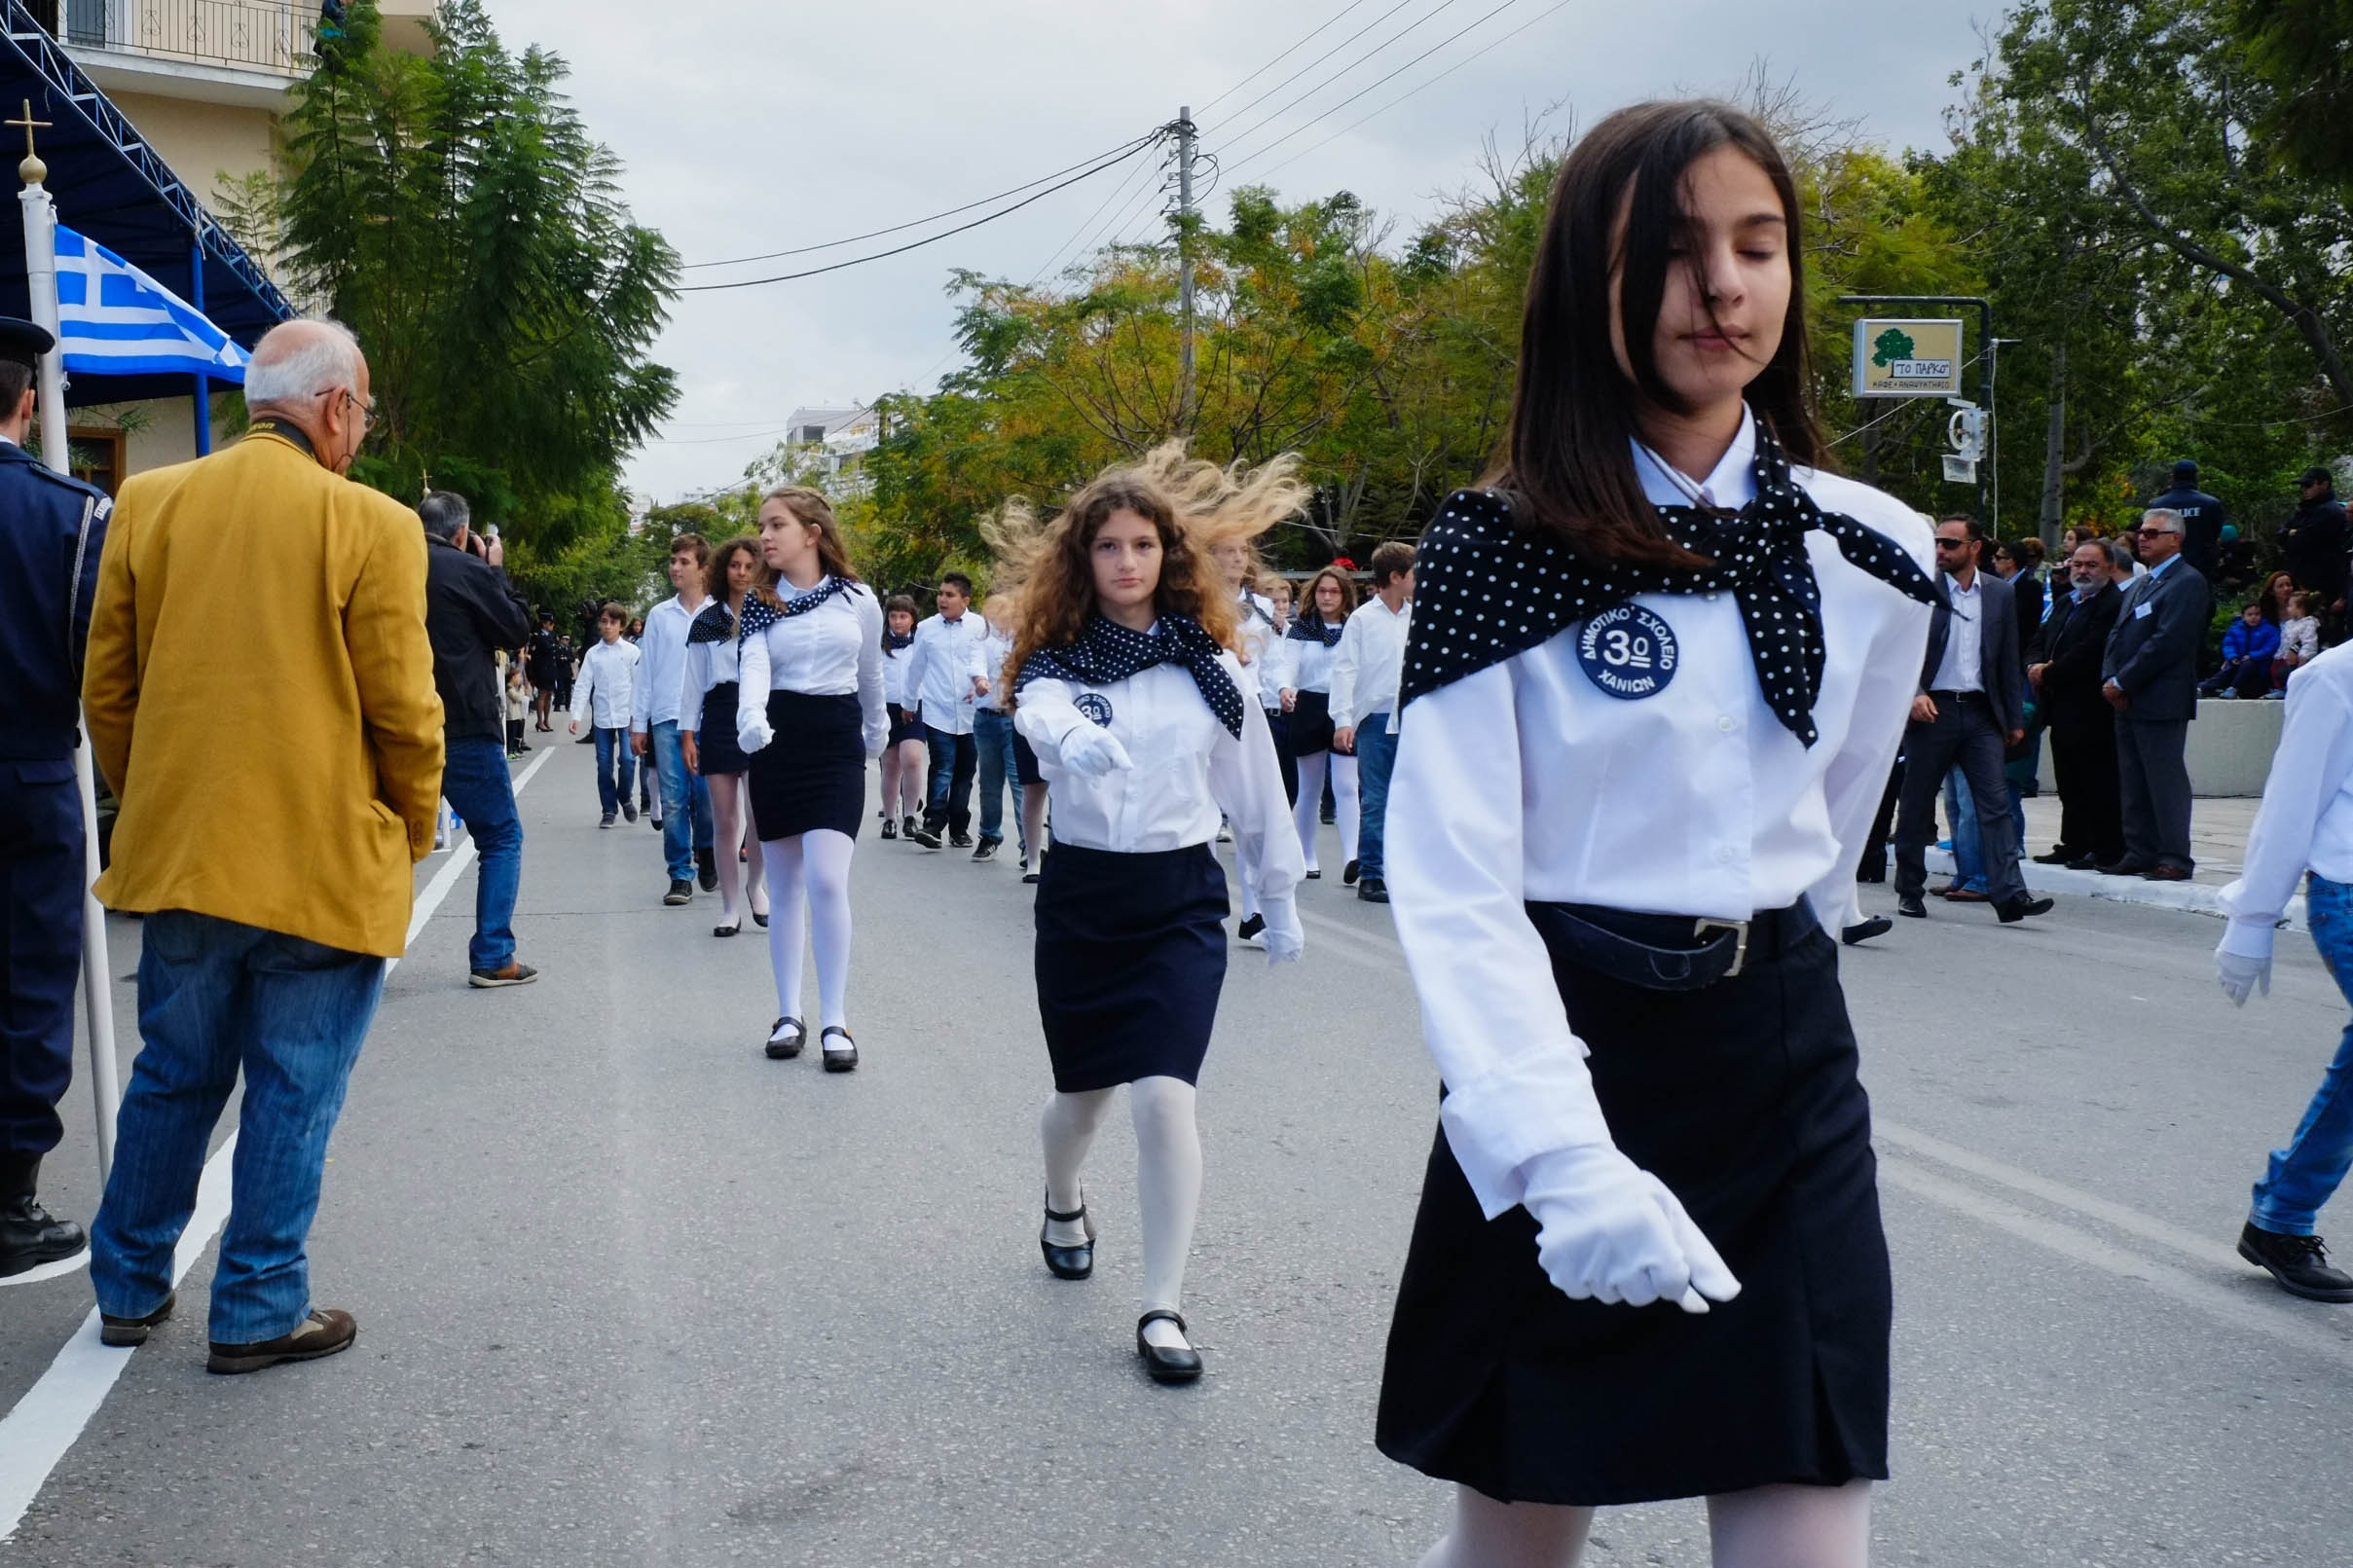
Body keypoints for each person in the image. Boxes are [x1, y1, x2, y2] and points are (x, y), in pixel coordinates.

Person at [1375, 101, 1947, 1568]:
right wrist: (1560, 1159)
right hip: (1563, 1045)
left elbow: (1834, 810)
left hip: (1779, 1059)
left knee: (1809, 1523)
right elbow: (1453, 882)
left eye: (1758, 245)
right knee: (1515, 1541)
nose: (1724, 287)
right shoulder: (1497, 546)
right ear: (1592, 278)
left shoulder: (1872, 547)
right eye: (1677, 250)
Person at [82, 318, 442, 1372]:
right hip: (321, 858)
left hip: (185, 851)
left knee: (173, 1073)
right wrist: (411, 825)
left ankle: (128, 1285)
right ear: (334, 407)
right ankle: (257, 1302)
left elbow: (109, 689)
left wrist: (155, 800)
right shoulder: (372, 522)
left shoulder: (149, 502)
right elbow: (405, 710)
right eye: (361, 415)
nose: (359, 435)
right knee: (294, 1084)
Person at [1002, 448, 1305, 1384]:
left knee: (1165, 1095)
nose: (1126, 561)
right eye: (1107, 545)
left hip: (1179, 900)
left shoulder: (1210, 667)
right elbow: (1038, 714)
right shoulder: (1058, 663)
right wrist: (1071, 735)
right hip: (1084, 898)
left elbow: (1255, 787)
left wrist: (1278, 895)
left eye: (1142, 544)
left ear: (1168, 554)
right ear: (1081, 559)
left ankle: (1162, 1304)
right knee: (1080, 1100)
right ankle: (1062, 1198)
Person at [0, 315, 113, 1277]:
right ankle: (10, 1199)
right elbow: (101, 668)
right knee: (30, 981)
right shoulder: (71, 514)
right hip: (29, 770)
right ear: (28, 402)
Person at [2213, 637, 2353, 1303]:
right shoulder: (2334, 676)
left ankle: (2280, 1217)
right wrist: (2251, 920)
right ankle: (2283, 1215)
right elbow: (2290, 802)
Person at [735, 488, 887, 1073]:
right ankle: (788, 1013)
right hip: (777, 741)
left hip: (837, 743)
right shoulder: (760, 602)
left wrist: (877, 733)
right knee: (786, 885)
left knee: (827, 879)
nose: (764, 536)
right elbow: (754, 666)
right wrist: (751, 716)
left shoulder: (859, 598)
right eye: (762, 525)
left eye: (776, 525)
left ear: (812, 532)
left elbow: (870, 674)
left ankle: (834, 1020)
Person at [1893, 515, 2051, 924]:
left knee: (1995, 805)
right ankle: (1909, 890)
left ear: (1974, 548)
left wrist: (2014, 718)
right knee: (1915, 805)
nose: (1940, 550)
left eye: (1949, 543)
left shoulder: (1999, 593)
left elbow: (2008, 657)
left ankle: (2010, 895)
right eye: (1937, 542)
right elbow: (1898, 648)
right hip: (1933, 712)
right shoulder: (1920, 587)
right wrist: (1915, 692)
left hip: (1982, 713)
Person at [418, 490, 536, 986]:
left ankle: (356, 952)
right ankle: (492, 954)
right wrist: (496, 570)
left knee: (391, 840)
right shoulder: (466, 570)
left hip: (399, 723)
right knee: (500, 836)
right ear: (463, 533)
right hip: (463, 722)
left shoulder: (392, 562)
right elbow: (515, 629)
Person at [2101, 507, 2213, 881]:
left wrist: (2123, 681)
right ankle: (2140, 851)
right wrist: (2111, 678)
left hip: (2160, 697)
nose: (2142, 538)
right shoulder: (2143, 582)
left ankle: (2174, 857)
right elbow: (2117, 635)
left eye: (2151, 533)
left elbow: (2168, 641)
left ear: (2175, 539)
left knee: (2164, 780)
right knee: (2133, 780)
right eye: (2141, 532)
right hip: (2128, 696)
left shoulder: (2187, 582)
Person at [680, 535, 770, 937]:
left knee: (760, 814)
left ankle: (756, 886)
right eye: (735, 565)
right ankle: (730, 906)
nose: (742, 573)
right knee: (725, 819)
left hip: (759, 713)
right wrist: (688, 734)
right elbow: (693, 684)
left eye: (750, 566)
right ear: (723, 569)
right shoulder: (706, 620)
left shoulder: (770, 614)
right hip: (718, 716)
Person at [2028, 540, 2127, 869]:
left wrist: (2048, 672)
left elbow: (2091, 651)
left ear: (2110, 567)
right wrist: (2033, 665)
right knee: (2068, 780)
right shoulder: (2065, 602)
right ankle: (2073, 843)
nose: (2082, 571)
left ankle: (2103, 847)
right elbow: (2040, 638)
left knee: (2096, 781)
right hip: (2059, 704)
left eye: (2091, 565)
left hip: (2091, 707)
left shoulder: (2113, 604)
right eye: (2077, 564)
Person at [634, 533, 719, 907]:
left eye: (684, 562)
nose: (675, 568)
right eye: (673, 561)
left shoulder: (719, 613)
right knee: (672, 799)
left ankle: (707, 848)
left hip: (707, 718)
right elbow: (646, 672)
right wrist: (639, 722)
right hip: (667, 717)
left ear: (703, 569)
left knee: (706, 796)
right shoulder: (659, 615)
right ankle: (680, 874)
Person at [1331, 541, 1415, 904]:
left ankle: (1385, 862)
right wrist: (1342, 719)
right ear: (1395, 577)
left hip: (1412, 718)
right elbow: (1345, 669)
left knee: (1409, 799)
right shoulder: (1363, 619)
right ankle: (1372, 873)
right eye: (1413, 573)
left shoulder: (1417, 617)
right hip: (1376, 720)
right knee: (1377, 798)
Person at [1280, 565, 1363, 883]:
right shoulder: (1301, 629)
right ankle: (1306, 855)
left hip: (1345, 708)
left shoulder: (1354, 627)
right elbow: (1288, 665)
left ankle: (1352, 856)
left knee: (1347, 786)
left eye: (1334, 591)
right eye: (1322, 591)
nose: (1327, 597)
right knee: (1310, 788)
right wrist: (1285, 687)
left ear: (1345, 595)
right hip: (1309, 706)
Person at [904, 572, 989, 850]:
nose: (942, 599)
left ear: (965, 600)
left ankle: (959, 827)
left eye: (950, 595)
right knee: (942, 768)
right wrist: (908, 703)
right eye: (940, 593)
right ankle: (933, 824)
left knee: (965, 773)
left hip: (971, 713)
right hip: (937, 710)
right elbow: (916, 667)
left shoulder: (980, 627)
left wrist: (981, 687)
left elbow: (989, 664)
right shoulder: (926, 628)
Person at [570, 602, 640, 826]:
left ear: (622, 626)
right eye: (604, 621)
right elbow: (583, 684)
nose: (608, 626)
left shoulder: (632, 652)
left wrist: (641, 716)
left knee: (628, 759)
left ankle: (625, 797)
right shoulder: (593, 654)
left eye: (613, 622)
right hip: (602, 716)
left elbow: (640, 684)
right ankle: (609, 809)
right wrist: (576, 715)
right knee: (603, 765)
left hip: (627, 715)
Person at [969, 589, 1025, 863]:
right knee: (990, 783)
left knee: (1020, 783)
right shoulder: (982, 638)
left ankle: (1029, 845)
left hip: (1016, 720)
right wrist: (980, 681)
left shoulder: (1025, 640)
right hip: (987, 719)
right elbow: (975, 663)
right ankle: (990, 836)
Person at [877, 595, 928, 840]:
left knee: (912, 758)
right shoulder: (879, 644)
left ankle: (910, 816)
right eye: (893, 616)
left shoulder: (920, 643)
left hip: (914, 706)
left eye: (903, 616)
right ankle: (890, 818)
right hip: (886, 708)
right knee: (890, 764)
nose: (898, 621)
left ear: (912, 619)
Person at [2276, 467, 2347, 618]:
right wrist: (2291, 534)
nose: (2303, 489)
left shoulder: (2330, 511)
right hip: (2300, 578)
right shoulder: (2305, 510)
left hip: (2322, 582)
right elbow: (2281, 536)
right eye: (2302, 485)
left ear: (2324, 485)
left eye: (2308, 485)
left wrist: (2291, 534)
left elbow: (2301, 541)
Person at [2150, 457, 2226, 577]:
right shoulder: (2210, 504)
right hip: (2202, 567)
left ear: (2172, 477)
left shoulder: (2157, 505)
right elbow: (2215, 533)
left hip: (2166, 566)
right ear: (2196, 477)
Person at [2200, 602, 2283, 699]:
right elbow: (2228, 645)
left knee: (2248, 664)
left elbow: (2270, 648)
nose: (2253, 617)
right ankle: (2205, 688)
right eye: (2250, 615)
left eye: (2257, 614)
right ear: (2243, 616)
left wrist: (2252, 656)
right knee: (2230, 668)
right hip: (2239, 663)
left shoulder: (2270, 630)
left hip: (2260, 668)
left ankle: (2233, 688)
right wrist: (2233, 657)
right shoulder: (2235, 629)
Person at [2276, 592, 2323, 694]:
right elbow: (2285, 641)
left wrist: (2303, 657)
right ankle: (2285, 689)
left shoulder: (2309, 623)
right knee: (2278, 671)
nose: (2287, 609)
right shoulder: (2289, 624)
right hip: (2288, 659)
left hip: (2301, 661)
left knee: (2286, 673)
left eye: (2290, 606)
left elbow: (2309, 642)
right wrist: (2280, 655)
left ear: (2300, 608)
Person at [528, 610, 560, 731]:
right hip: (542, 669)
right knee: (542, 694)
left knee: (549, 694)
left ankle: (546, 720)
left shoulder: (551, 636)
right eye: (550, 623)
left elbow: (554, 649)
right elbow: (541, 653)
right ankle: (540, 721)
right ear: (544, 624)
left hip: (551, 669)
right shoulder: (538, 636)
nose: (552, 625)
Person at [2212, 523, 2257, 600]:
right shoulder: (2242, 547)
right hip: (2246, 579)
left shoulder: (2232, 550)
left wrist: (2219, 577)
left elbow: (2226, 566)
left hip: (2238, 581)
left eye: (2219, 536)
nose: (2218, 539)